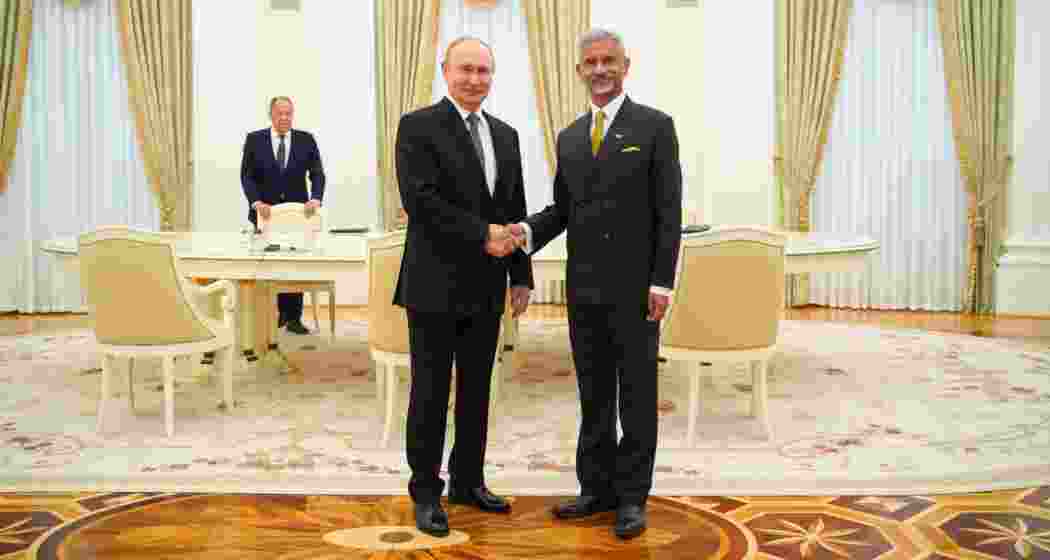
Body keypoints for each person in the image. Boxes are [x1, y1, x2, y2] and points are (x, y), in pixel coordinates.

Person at [510, 28, 682, 539]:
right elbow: (563, 209)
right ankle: (596, 488)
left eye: (609, 60)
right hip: (583, 290)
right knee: (593, 394)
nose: (601, 69)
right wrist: (524, 233)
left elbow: (668, 212)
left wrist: (662, 283)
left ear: (625, 65)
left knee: (635, 393)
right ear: (580, 71)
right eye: (592, 62)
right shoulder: (568, 136)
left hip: (636, 293)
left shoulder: (654, 126)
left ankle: (632, 497)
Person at [393, 36, 533, 538]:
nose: (475, 79)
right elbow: (420, 201)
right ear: (444, 71)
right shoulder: (418, 127)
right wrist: (483, 235)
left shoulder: (507, 134)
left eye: (484, 71)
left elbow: (513, 208)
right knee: (430, 392)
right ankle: (426, 490)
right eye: (466, 69)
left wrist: (521, 274)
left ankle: (468, 480)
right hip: (432, 284)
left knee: (477, 390)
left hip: (486, 285)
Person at [239, 96, 326, 335]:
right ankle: (272, 315)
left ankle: (293, 317)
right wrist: (256, 201)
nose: (285, 118)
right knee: (269, 265)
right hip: (264, 214)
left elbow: (317, 173)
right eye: (281, 114)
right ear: (272, 115)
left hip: (296, 215)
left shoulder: (305, 140)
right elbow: (246, 175)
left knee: (294, 264)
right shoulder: (255, 140)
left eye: (289, 114)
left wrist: (316, 198)